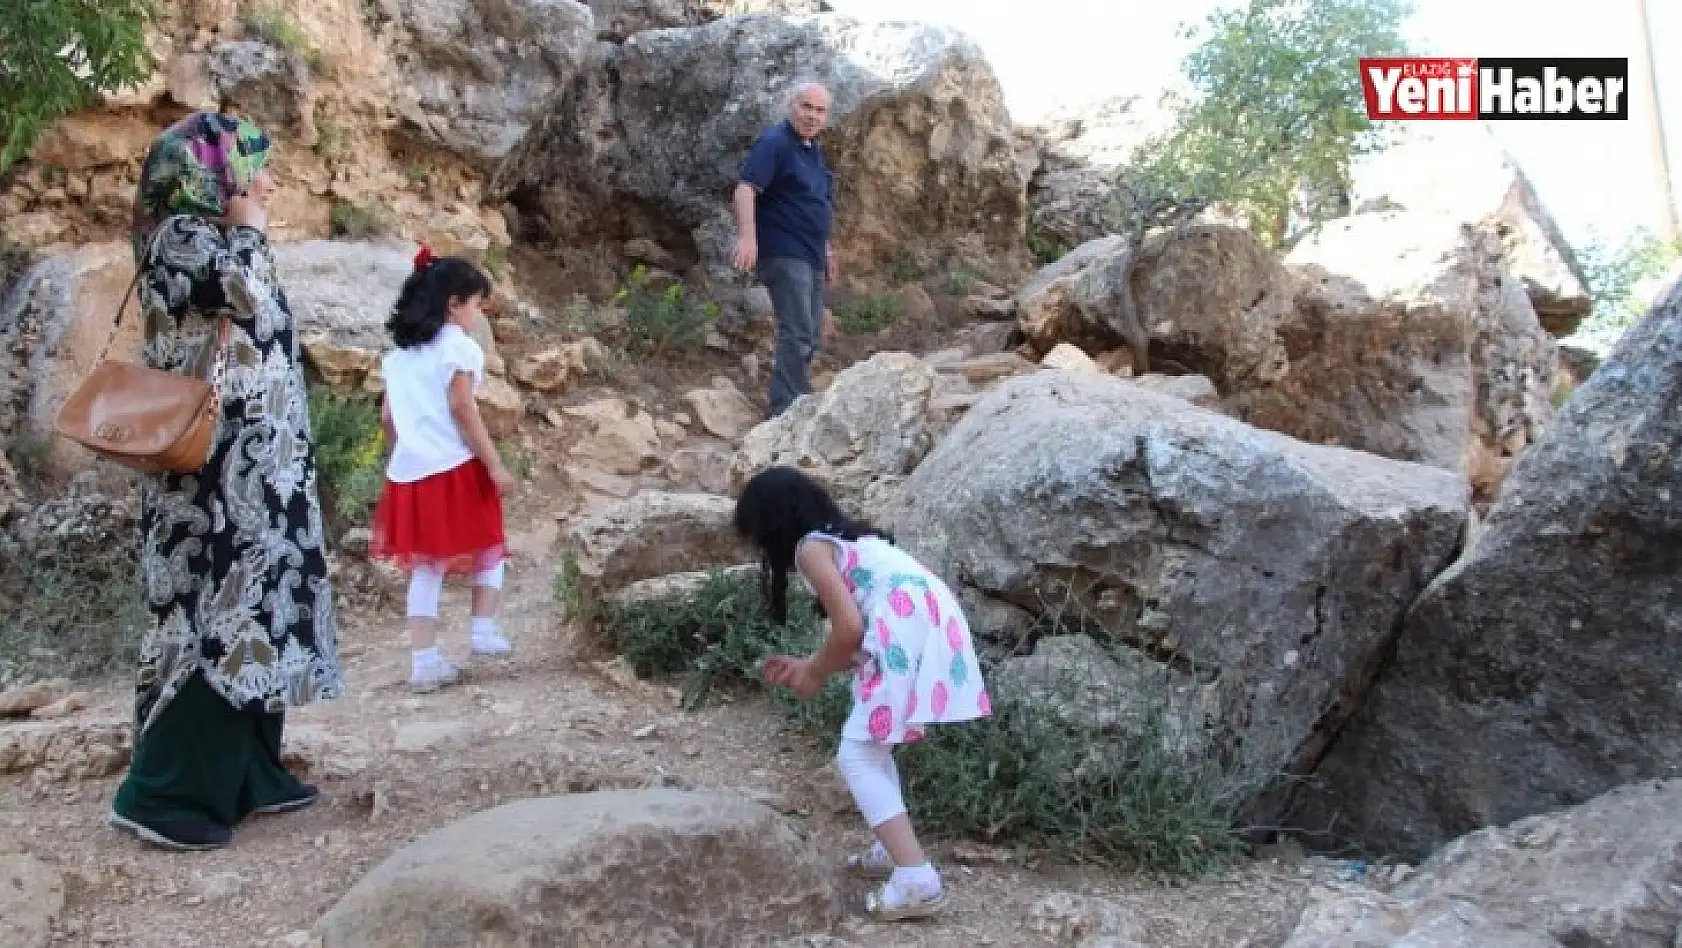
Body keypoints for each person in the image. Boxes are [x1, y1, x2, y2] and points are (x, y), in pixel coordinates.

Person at [109, 111, 343, 852]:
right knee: (217, 615)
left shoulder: (216, 235)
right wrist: (249, 228)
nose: (267, 182)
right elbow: (234, 296)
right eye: (252, 168)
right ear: (209, 175)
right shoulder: (181, 237)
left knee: (263, 607)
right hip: (212, 480)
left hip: (260, 471)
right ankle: (165, 793)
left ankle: (248, 773)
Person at [733, 466, 992, 921]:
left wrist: (813, 672)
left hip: (907, 626)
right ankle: (893, 850)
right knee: (875, 748)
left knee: (857, 756)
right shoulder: (851, 540)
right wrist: (810, 665)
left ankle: (916, 879)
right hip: (929, 618)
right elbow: (858, 629)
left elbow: (849, 628)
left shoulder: (811, 549)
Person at [367, 249, 516, 693]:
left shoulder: (400, 357)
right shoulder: (459, 348)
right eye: (475, 303)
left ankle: (424, 660)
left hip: (410, 472)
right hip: (454, 464)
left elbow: (389, 419)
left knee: (426, 566)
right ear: (454, 303)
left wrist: (405, 456)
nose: (478, 314)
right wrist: (494, 463)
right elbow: (462, 407)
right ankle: (483, 629)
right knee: (490, 545)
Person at [730, 79, 840, 417]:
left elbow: (816, 204)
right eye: (806, 107)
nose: (812, 116)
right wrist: (748, 237)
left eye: (820, 110)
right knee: (797, 329)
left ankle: (791, 396)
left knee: (810, 330)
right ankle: (787, 406)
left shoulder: (814, 152)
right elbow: (746, 188)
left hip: (810, 252)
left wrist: (827, 250)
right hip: (784, 249)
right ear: (790, 106)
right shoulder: (775, 142)